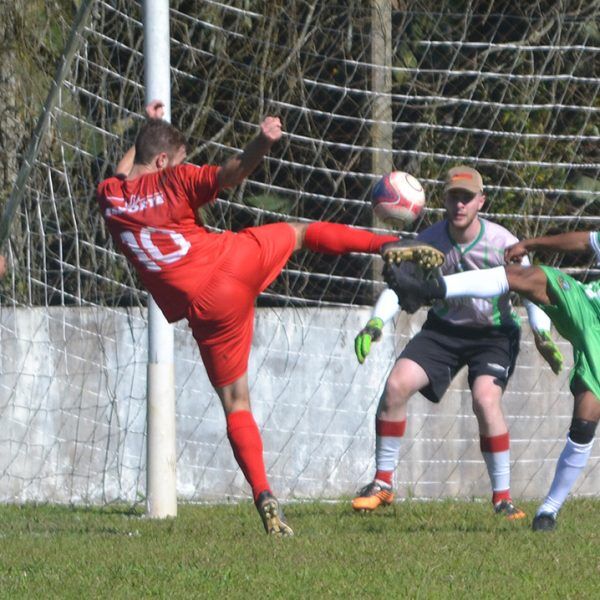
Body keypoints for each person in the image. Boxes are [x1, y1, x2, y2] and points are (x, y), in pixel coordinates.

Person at [97, 101, 444, 536]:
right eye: (180, 158)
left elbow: (124, 172)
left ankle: (263, 494)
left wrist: (147, 129)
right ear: (166, 162)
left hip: (204, 311)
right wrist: (263, 140)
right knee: (300, 233)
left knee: (236, 404)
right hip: (229, 265)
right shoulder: (175, 179)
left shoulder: (109, 197)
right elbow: (232, 173)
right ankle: (389, 244)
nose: (185, 164)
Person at [352, 166, 562, 521]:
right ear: (444, 200)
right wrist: (376, 321)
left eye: (467, 197)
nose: (460, 204)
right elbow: (399, 286)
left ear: (481, 201)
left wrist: (541, 332)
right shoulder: (428, 240)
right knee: (396, 385)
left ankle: (503, 499)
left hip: (493, 335)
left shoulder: (502, 243)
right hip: (443, 331)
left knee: (485, 400)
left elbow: (531, 286)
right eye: (454, 196)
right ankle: (383, 484)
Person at [381, 229, 600, 531]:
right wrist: (530, 243)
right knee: (525, 276)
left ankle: (548, 508)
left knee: (585, 420)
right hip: (589, 306)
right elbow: (587, 241)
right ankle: (428, 289)